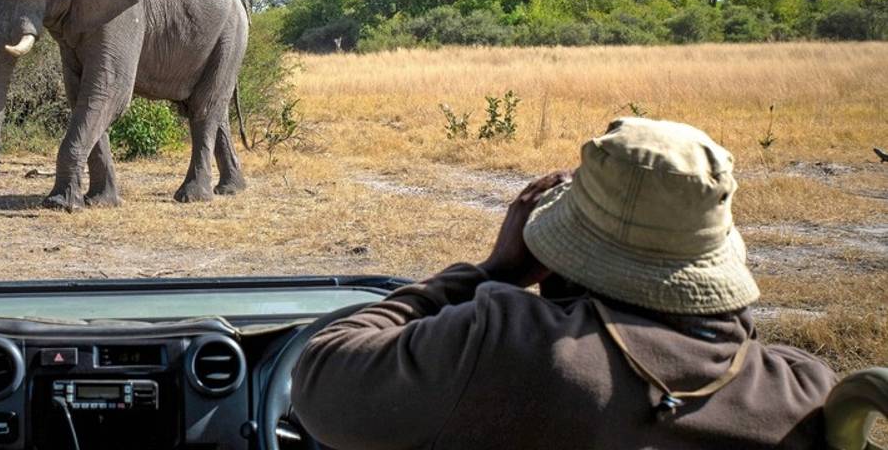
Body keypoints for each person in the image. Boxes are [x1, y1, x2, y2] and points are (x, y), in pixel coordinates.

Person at [292, 117, 835, 449]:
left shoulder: (507, 342)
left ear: (557, 253)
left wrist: (492, 272)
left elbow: (321, 378)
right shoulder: (803, 394)